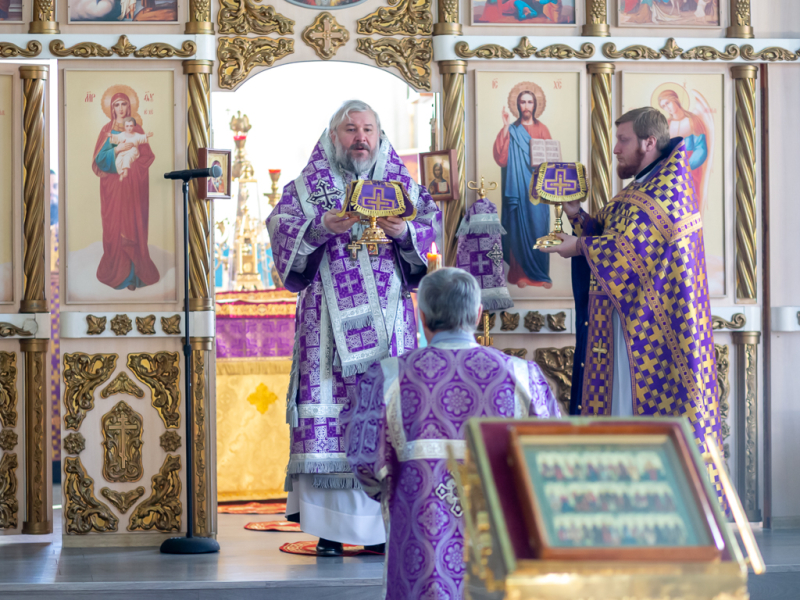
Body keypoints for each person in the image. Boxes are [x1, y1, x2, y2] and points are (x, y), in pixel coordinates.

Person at [266, 100, 441, 557]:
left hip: (389, 329)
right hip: (326, 327)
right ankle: (328, 527)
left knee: (384, 415)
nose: (360, 137)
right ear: (333, 136)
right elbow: (280, 227)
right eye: (350, 129)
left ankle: (382, 528)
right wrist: (322, 225)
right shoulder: (308, 188)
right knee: (331, 408)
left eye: (368, 129)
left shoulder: (402, 185)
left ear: (380, 136)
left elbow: (432, 227)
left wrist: (404, 233)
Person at [342, 268, 560, 599]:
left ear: (423, 317)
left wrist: (391, 494)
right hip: (503, 538)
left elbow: (365, 461)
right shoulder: (522, 376)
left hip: (420, 537)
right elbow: (552, 458)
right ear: (477, 314)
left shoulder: (389, 377)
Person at [541, 107, 723, 499]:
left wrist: (579, 246)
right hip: (627, 326)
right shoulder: (642, 186)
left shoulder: (669, 188)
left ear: (649, 142)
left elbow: (630, 251)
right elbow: (614, 236)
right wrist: (577, 217)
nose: (615, 149)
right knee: (619, 413)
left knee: (634, 414)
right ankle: (614, 500)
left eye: (622, 140)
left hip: (655, 335)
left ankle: (649, 504)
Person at [92, 91, 159, 291]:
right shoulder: (107, 130)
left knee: (132, 228)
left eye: (123, 104)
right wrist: (117, 151)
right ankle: (118, 274)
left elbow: (147, 157)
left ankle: (134, 276)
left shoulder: (136, 128)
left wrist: (134, 163)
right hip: (112, 189)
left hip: (132, 189)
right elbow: (98, 160)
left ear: (128, 107)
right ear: (111, 108)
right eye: (116, 105)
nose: (120, 108)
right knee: (114, 229)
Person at [493, 86, 553, 288]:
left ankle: (541, 275)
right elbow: (501, 158)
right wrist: (504, 126)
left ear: (535, 105)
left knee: (538, 226)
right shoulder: (511, 129)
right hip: (517, 187)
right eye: (522, 102)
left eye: (529, 102)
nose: (526, 106)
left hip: (537, 188)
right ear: (517, 105)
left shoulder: (542, 129)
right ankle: (519, 274)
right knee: (518, 228)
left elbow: (550, 160)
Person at [658, 88, 713, 216]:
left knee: (688, 203)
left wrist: (685, 167)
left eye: (668, 103)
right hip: (669, 170)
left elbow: (701, 149)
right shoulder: (666, 124)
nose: (667, 108)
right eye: (663, 106)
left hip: (689, 170)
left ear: (675, 100)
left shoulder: (693, 121)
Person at [108, 117, 153, 181]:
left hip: (133, 151)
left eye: (131, 126)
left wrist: (147, 135)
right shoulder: (122, 135)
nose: (129, 128)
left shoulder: (136, 135)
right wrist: (111, 136)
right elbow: (116, 138)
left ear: (134, 126)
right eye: (127, 126)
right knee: (118, 160)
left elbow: (142, 137)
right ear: (124, 126)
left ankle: (125, 171)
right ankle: (121, 173)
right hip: (123, 151)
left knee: (127, 158)